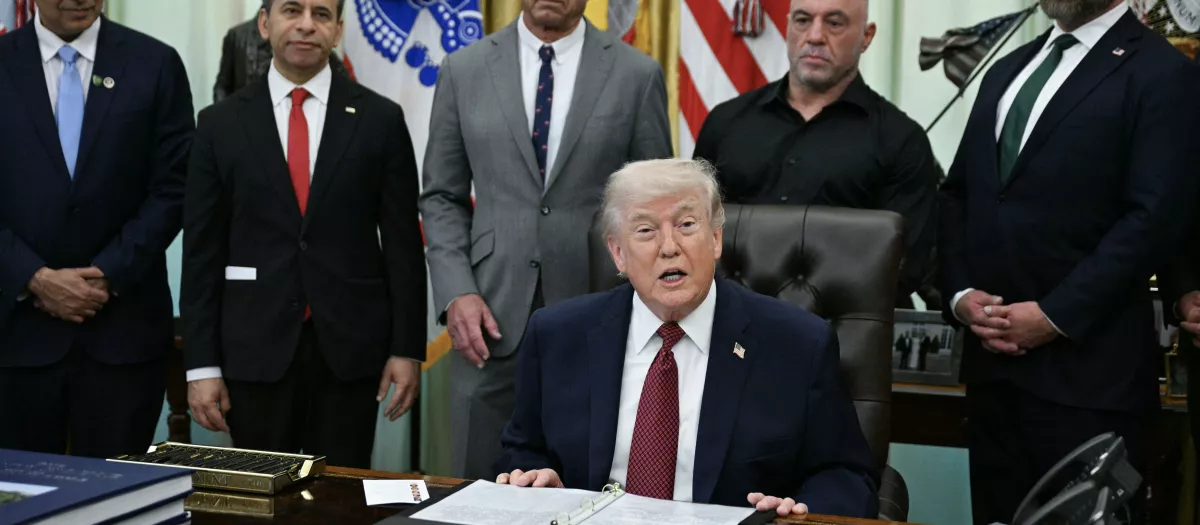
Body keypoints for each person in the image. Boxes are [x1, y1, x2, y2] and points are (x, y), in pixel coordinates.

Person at [494, 159, 879, 519]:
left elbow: (847, 476)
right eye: (646, 230)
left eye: (686, 225)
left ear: (715, 239)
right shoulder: (557, 335)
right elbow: (522, 450)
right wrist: (536, 477)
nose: (669, 247)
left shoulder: (797, 344)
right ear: (618, 253)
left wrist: (799, 510)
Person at [937, 0, 1200, 522]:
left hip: (1088, 383)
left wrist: (1054, 315)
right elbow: (958, 195)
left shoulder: (1164, 72)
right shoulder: (1008, 68)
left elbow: (1152, 219)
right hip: (992, 375)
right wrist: (961, 294)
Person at [420, 0, 673, 479]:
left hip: (599, 311)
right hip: (487, 314)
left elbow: (654, 202)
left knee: (586, 482)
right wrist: (456, 292)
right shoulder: (463, 69)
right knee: (477, 486)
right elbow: (441, 196)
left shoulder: (636, 74)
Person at [181, 0, 426, 469]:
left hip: (351, 353)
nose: (307, 25)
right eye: (292, 10)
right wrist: (202, 366)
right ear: (264, 23)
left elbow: (403, 246)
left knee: (339, 497)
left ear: (338, 30)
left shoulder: (380, 120)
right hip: (253, 350)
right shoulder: (218, 124)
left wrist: (406, 349)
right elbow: (201, 254)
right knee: (260, 497)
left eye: (322, 14)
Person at [0, 0, 194, 458]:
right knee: (22, 493)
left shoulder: (154, 63)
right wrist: (34, 277)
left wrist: (107, 273)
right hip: (15, 337)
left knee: (120, 491)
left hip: (123, 336)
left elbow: (176, 186)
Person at [692, 0, 938, 306]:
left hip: (842, 325)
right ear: (787, 26)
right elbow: (693, 229)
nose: (815, 36)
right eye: (803, 20)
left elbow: (904, 266)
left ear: (867, 36)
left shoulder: (902, 140)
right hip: (733, 317)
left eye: (834, 23)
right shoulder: (726, 122)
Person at [212, 14, 347, 103]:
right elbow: (222, 86)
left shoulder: (306, 35)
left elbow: (343, 84)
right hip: (245, 123)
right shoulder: (238, 36)